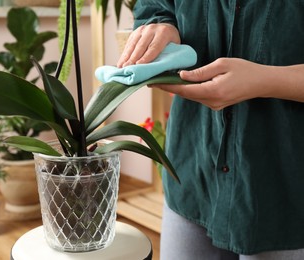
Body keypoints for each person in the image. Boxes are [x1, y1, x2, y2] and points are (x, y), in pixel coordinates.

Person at [117, 1, 304, 259]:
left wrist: (264, 80)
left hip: (283, 193)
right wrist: (162, 26)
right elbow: (155, 7)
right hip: (192, 175)